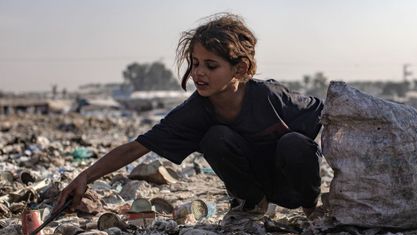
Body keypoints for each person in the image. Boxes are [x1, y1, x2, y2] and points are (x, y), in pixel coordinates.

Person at [54, 13, 324, 219]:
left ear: (240, 69)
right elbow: (137, 147)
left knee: (295, 143)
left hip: (291, 187)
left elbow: (326, 116)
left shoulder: (269, 96)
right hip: (253, 183)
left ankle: (313, 210)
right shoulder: (197, 110)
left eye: (211, 65)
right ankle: (253, 204)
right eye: (195, 63)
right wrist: (85, 177)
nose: (198, 73)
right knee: (215, 137)